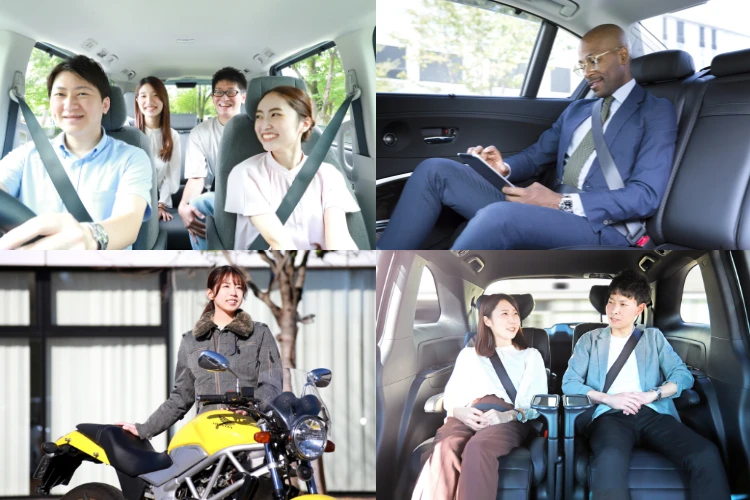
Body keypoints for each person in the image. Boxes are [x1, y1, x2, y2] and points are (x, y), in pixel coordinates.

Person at [378, 24, 678, 250]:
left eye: (594, 60)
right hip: (547, 208)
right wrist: (503, 168)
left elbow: (645, 196)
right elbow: (537, 155)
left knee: (498, 217)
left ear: (622, 55)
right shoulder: (578, 110)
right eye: (582, 64)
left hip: (600, 226)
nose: (587, 72)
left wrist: (561, 202)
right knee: (435, 170)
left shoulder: (654, 111)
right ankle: (382, 264)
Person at [562, 270, 730, 499]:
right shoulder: (589, 340)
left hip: (653, 412)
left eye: (623, 303)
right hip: (609, 415)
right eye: (611, 302)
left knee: (706, 454)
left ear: (639, 309)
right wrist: (609, 398)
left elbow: (682, 375)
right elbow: (569, 383)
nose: (614, 310)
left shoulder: (653, 338)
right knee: (610, 460)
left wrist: (653, 394)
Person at [0, 55, 152, 250]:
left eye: (82, 94)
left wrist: (91, 237)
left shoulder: (132, 158)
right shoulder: (25, 155)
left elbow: (129, 221)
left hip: (101, 273)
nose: (69, 104)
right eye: (60, 95)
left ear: (105, 105)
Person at [117, 265, 283, 439]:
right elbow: (181, 397)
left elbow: (272, 384)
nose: (234, 292)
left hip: (249, 431)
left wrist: (249, 407)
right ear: (210, 293)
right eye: (226, 286)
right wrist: (146, 429)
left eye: (239, 287)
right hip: (207, 433)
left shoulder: (259, 333)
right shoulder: (191, 341)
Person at [412, 294, 548, 500]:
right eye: (505, 314)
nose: (513, 320)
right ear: (487, 321)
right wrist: (460, 412)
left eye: (515, 314)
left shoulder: (530, 355)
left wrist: (507, 416)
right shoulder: (469, 355)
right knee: (444, 447)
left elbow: (535, 403)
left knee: (478, 448)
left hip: (507, 416)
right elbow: (452, 395)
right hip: (468, 412)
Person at [225, 86, 360, 250]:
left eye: (275, 114)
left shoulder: (329, 175)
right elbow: (278, 242)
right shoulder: (245, 173)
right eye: (259, 116)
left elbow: (338, 239)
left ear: (304, 123)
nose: (264, 124)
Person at [177, 67, 247, 250]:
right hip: (220, 198)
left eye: (231, 92)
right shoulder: (200, 133)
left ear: (243, 97)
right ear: (213, 96)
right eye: (218, 92)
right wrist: (184, 205)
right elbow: (196, 177)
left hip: (255, 195)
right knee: (197, 206)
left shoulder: (258, 127)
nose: (224, 98)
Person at [134, 77, 181, 221]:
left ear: (163, 100)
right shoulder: (130, 135)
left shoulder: (172, 136)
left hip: (158, 200)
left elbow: (170, 177)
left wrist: (161, 205)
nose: (149, 101)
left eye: (155, 95)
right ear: (137, 101)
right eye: (143, 96)